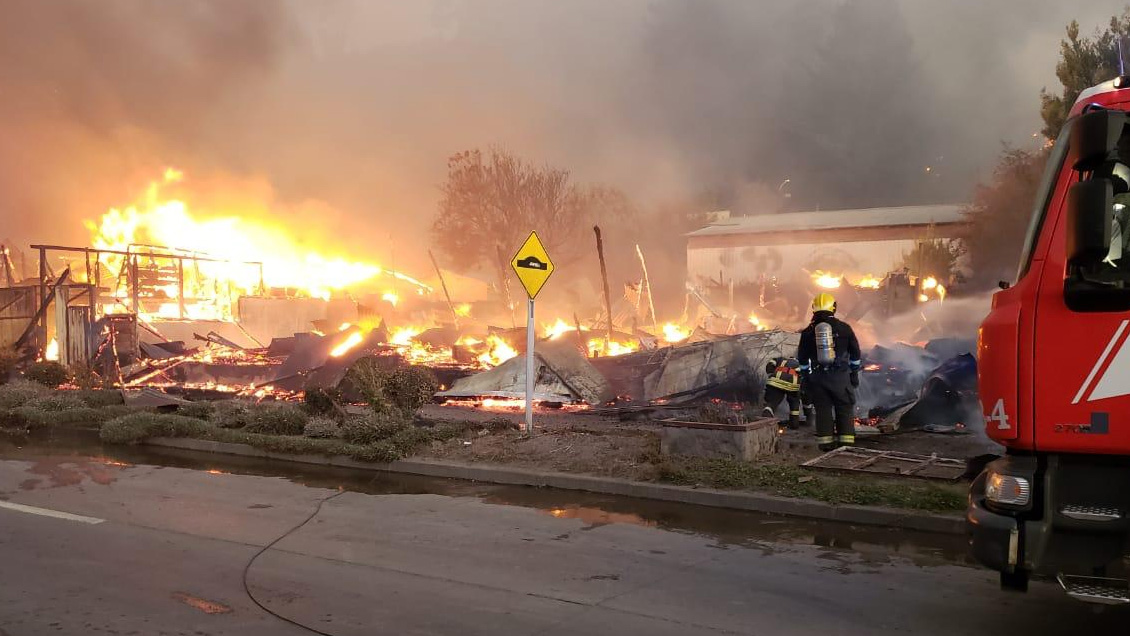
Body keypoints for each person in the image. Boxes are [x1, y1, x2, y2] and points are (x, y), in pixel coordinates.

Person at [797, 292, 862, 451]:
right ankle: (846, 445)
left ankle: (826, 445)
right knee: (844, 409)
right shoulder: (844, 328)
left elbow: (803, 359)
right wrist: (853, 374)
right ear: (834, 308)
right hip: (840, 378)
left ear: (814, 309)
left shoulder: (807, 332)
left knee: (823, 411)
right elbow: (855, 353)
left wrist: (806, 379)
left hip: (818, 379)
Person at [762, 355, 802, 429]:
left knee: (772, 402)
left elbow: (769, 366)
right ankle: (794, 424)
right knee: (794, 403)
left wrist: (772, 373)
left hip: (775, 382)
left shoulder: (780, 359)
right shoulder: (800, 362)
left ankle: (767, 414)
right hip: (792, 385)